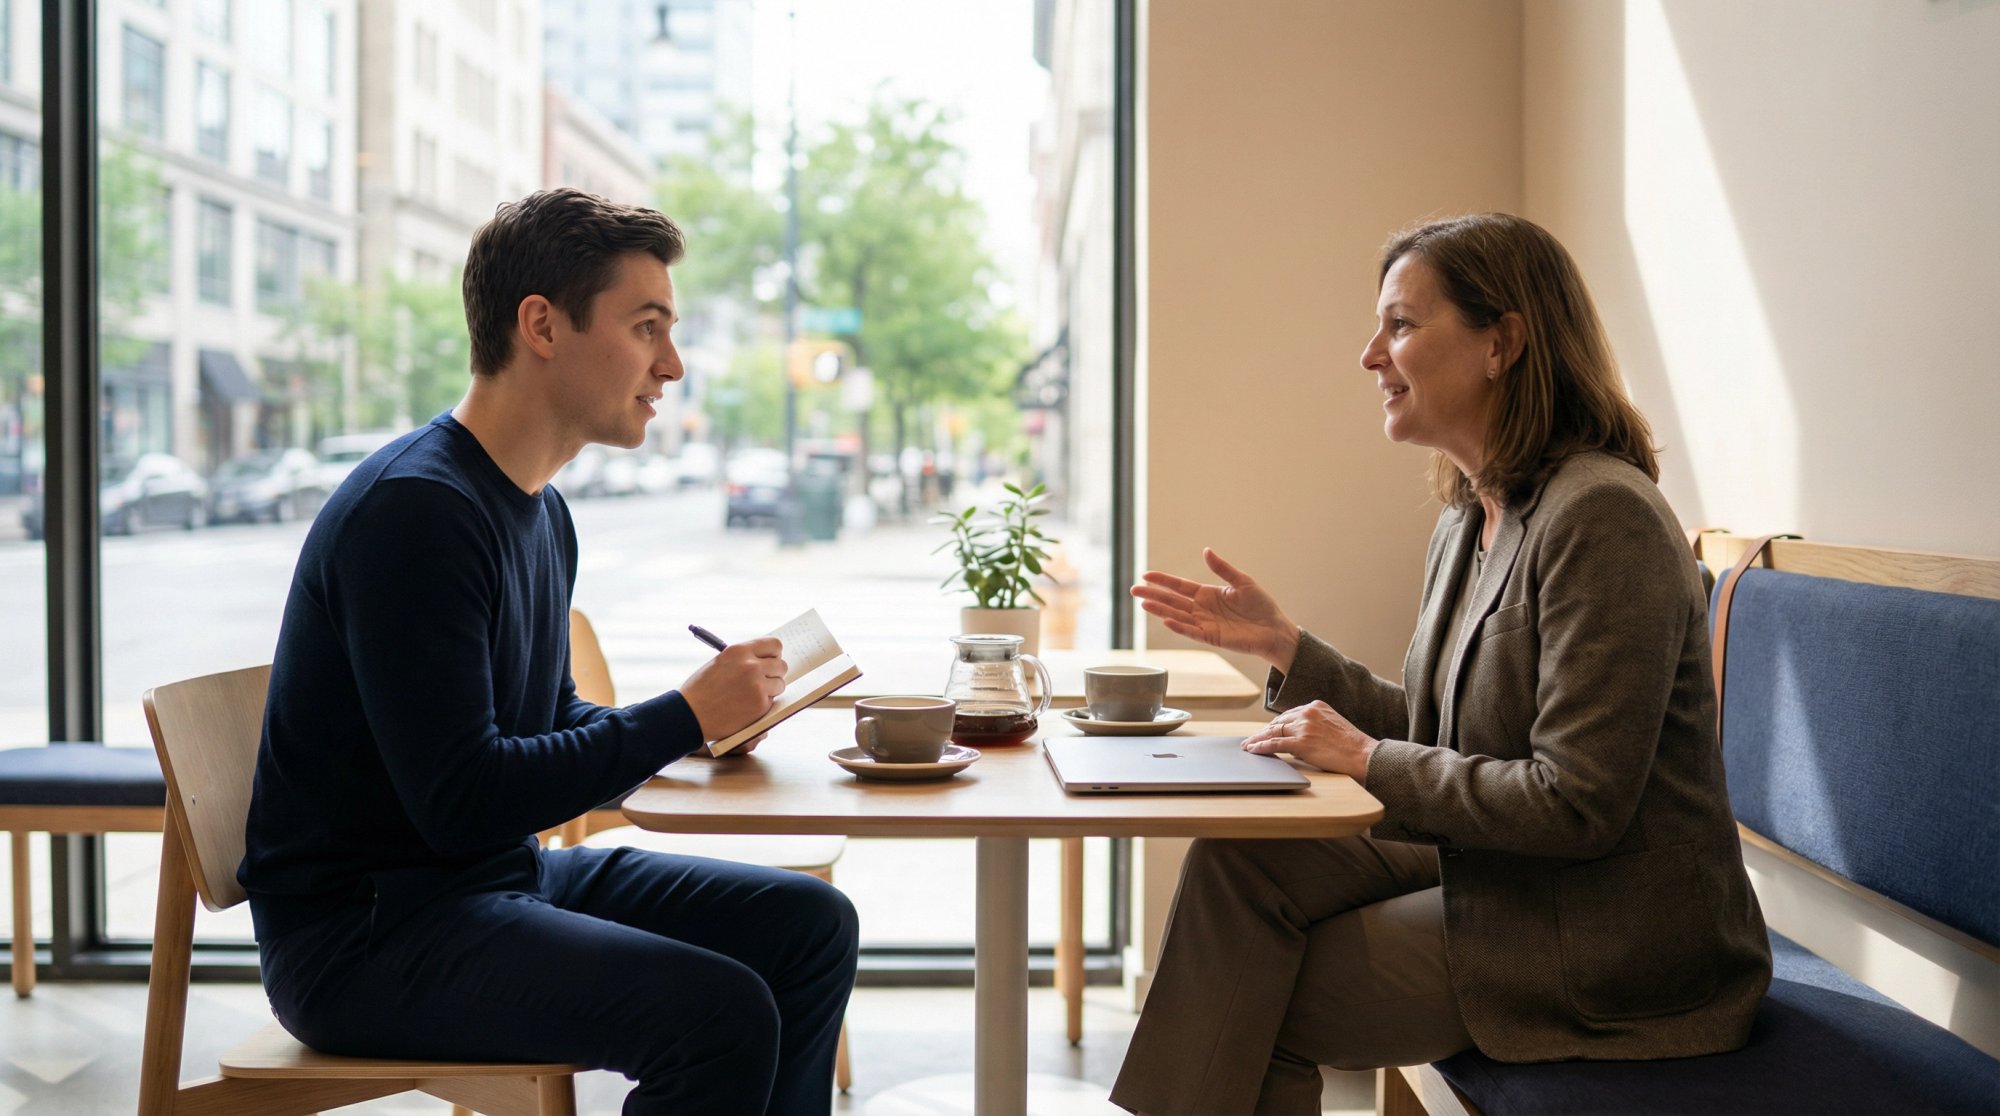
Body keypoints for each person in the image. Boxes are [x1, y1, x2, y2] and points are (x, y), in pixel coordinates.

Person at [1110, 213, 1770, 1115]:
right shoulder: (1471, 517)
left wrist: (1366, 759)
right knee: (1241, 863)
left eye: (1402, 325)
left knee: (1252, 996)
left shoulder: (1604, 518)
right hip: (1508, 870)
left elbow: (1578, 804)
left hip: (1615, 932)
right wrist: (1287, 651)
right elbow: (1440, 737)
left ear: (1501, 343)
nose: (1369, 355)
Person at [238, 188, 859, 1116]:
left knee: (808, 925)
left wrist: (699, 730)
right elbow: (461, 801)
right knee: (718, 1015)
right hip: (366, 937)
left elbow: (547, 721)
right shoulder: (416, 512)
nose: (673, 365)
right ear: (541, 325)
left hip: (497, 882)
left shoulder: (538, 509)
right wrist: (677, 716)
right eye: (647, 327)